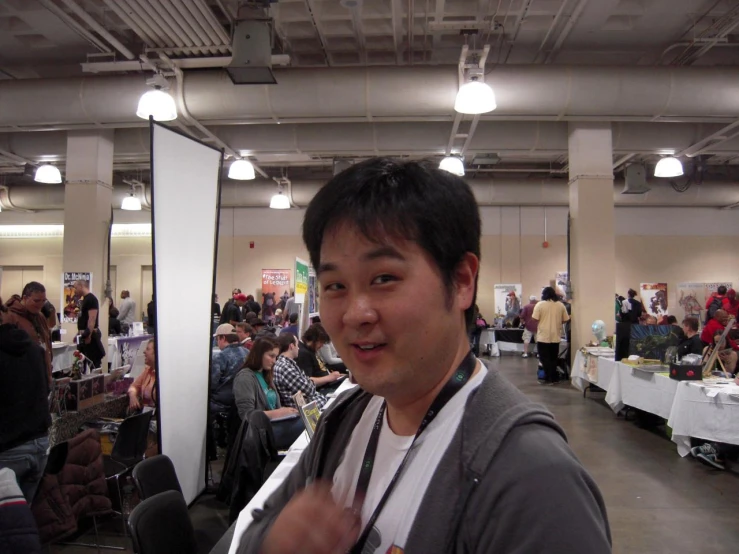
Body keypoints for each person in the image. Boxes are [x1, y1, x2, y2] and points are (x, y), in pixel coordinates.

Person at [237, 158, 610, 554]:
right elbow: (257, 533)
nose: (355, 314)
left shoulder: (532, 481)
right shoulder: (345, 418)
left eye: (384, 278)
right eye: (334, 285)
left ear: (462, 281)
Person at [0, 299, 52, 503]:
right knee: (24, 519)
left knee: (9, 523)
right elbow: (46, 388)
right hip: (40, 444)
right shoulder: (34, 348)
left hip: (10, 446)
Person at [232, 337, 303, 450]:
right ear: (259, 354)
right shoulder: (245, 377)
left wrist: (286, 412)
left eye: (276, 357)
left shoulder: (266, 375)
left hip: (272, 425)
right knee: (305, 425)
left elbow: (274, 407)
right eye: (271, 356)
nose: (274, 361)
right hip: (260, 431)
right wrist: (278, 413)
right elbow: (247, 415)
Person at [3, 282, 53, 385]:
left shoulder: (40, 317)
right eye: (36, 300)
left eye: (43, 301)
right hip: (21, 379)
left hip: (42, 375)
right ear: (25, 298)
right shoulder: (10, 317)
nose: (40, 304)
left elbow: (47, 342)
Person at [273, 332, 328, 409]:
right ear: (291, 346)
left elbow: (307, 384)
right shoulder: (285, 368)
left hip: (305, 404)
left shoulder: (286, 364)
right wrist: (310, 381)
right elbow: (309, 390)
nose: (298, 348)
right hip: (303, 408)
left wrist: (308, 381)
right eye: (297, 345)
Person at [532, 287, 570, 385]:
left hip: (543, 336)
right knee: (553, 358)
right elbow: (566, 319)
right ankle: (554, 378)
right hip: (556, 335)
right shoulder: (560, 305)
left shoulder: (539, 305)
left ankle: (548, 378)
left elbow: (535, 318)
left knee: (544, 358)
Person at [210, 324, 248, 413]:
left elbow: (212, 384)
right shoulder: (248, 353)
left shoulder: (220, 357)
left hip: (222, 405)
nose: (217, 342)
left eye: (217, 339)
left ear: (223, 338)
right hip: (243, 403)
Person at [297, 323, 342, 389]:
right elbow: (307, 381)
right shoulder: (304, 353)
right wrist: (329, 378)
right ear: (315, 340)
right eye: (321, 342)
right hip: (323, 388)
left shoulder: (309, 350)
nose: (321, 346)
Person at [74, 279, 105, 369]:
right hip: (83, 334)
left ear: (81, 286)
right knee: (81, 362)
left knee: (94, 364)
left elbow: (92, 319)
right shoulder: (85, 300)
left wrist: (88, 334)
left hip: (90, 335)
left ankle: (97, 382)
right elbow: (83, 319)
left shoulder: (91, 299)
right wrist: (78, 333)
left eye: (76, 288)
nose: (75, 291)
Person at [128, 339, 157, 410]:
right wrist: (132, 396)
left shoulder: (163, 375)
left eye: (148, 349)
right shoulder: (147, 371)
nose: (144, 352)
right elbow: (133, 387)